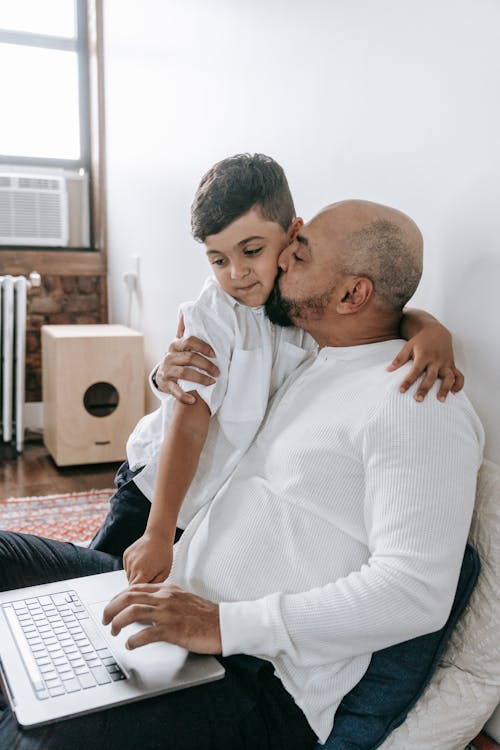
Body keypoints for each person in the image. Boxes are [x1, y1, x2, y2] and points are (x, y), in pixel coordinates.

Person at [0, 198, 483, 749]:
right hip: (168, 607)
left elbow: (415, 593)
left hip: (252, 679)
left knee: (38, 737)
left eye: (298, 256)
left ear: (352, 294)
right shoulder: (314, 359)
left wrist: (221, 624)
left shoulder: (417, 401)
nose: (278, 264)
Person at [90, 154, 464, 586]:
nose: (236, 274)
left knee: (152, 594)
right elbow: (189, 423)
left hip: (214, 498)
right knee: (93, 586)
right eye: (217, 259)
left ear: (292, 235)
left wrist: (431, 329)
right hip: (158, 491)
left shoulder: (307, 304)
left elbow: (381, 311)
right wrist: (157, 530)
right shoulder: (217, 311)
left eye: (252, 251)